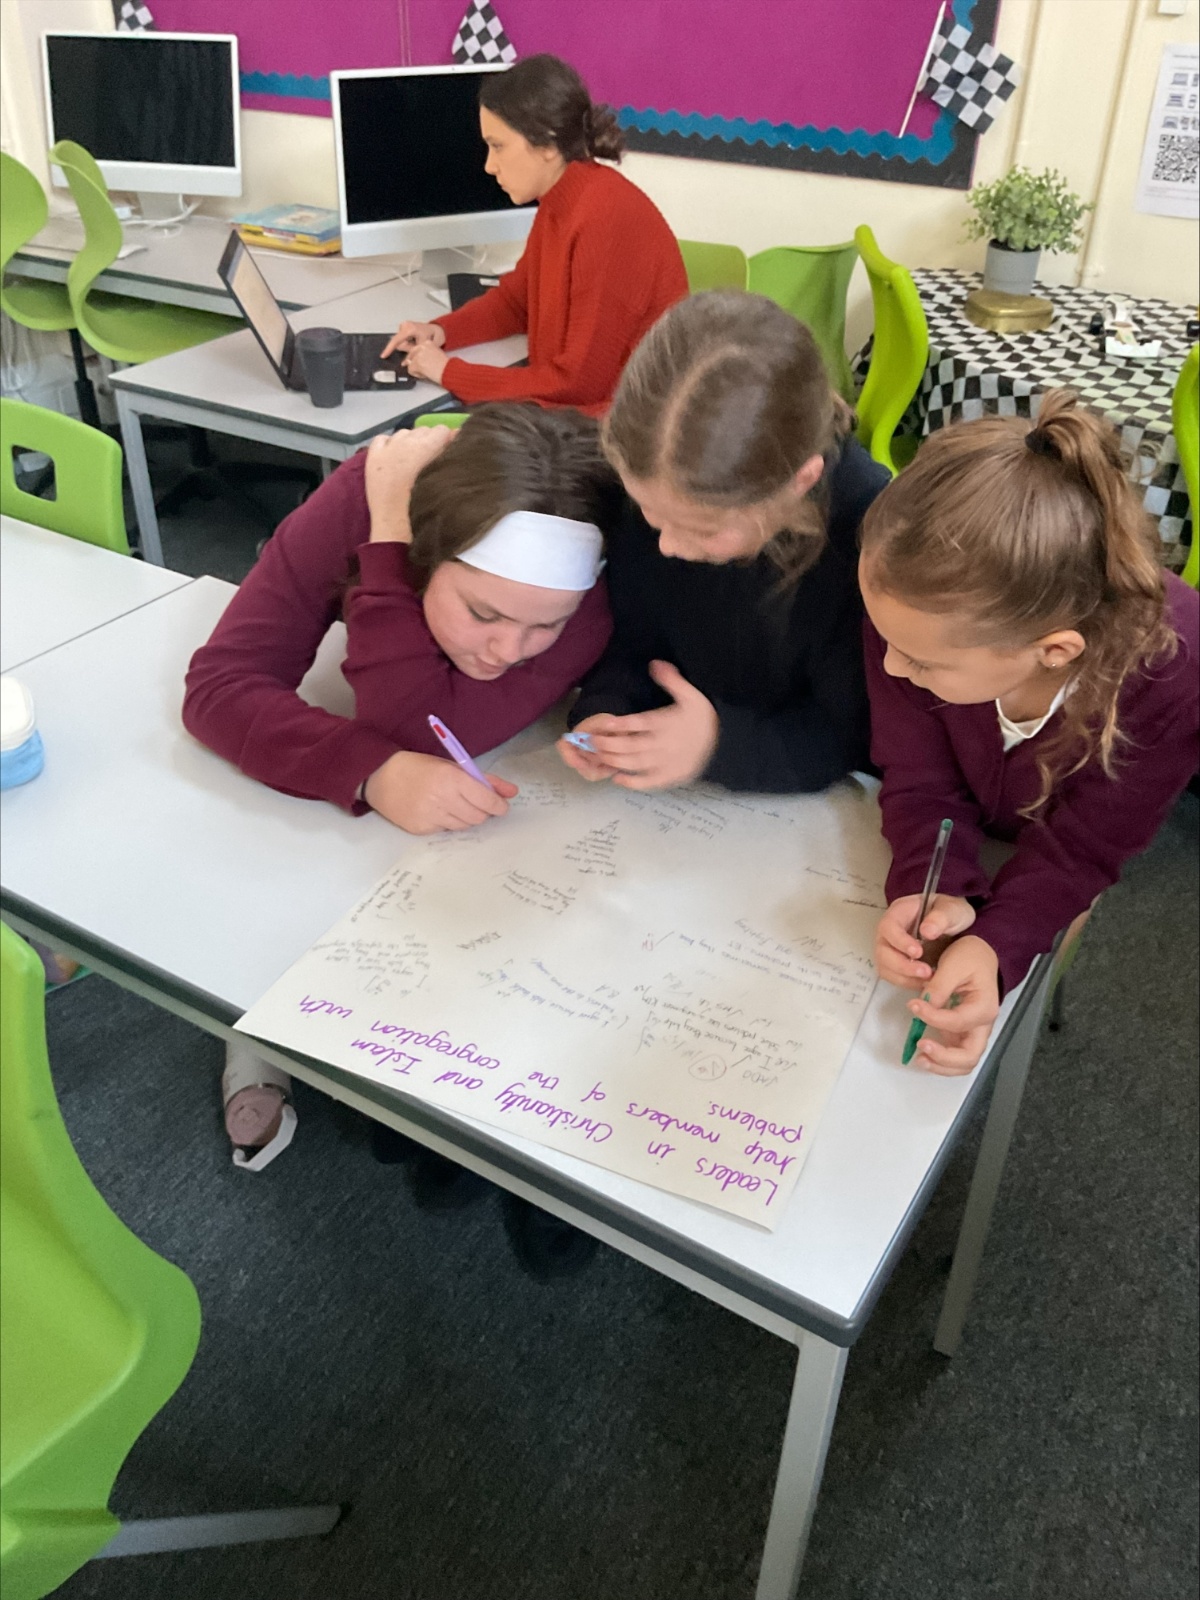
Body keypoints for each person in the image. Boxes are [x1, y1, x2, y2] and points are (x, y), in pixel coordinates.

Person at [182, 405, 616, 1186]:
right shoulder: (369, 494)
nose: (508, 649)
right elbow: (221, 683)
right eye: (482, 612)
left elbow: (435, 730)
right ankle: (263, 1020)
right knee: (256, 866)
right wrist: (372, 769)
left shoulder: (594, 557)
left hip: (504, 828)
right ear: (424, 551)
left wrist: (387, 758)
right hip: (352, 809)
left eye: (544, 626)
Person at [860, 391, 1199, 1076]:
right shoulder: (912, 610)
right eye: (885, 638)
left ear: (1054, 651)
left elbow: (1083, 849)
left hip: (1060, 848)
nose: (892, 666)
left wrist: (996, 946)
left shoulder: (1173, 674)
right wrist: (932, 887)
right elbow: (920, 776)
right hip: (975, 832)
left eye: (921, 663)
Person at [557, 289, 891, 793]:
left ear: (800, 481)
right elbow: (633, 639)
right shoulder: (663, 478)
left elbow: (853, 732)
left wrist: (719, 744)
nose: (667, 545)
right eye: (650, 515)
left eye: (704, 531)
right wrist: (609, 711)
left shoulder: (867, 539)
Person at [381, 54, 687, 416]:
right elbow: (516, 303)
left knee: (414, 432)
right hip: (570, 416)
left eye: (498, 146)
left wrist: (450, 372)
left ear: (548, 144)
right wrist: (441, 332)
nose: (489, 165)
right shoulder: (560, 202)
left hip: (612, 430)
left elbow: (578, 384)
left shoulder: (604, 217)